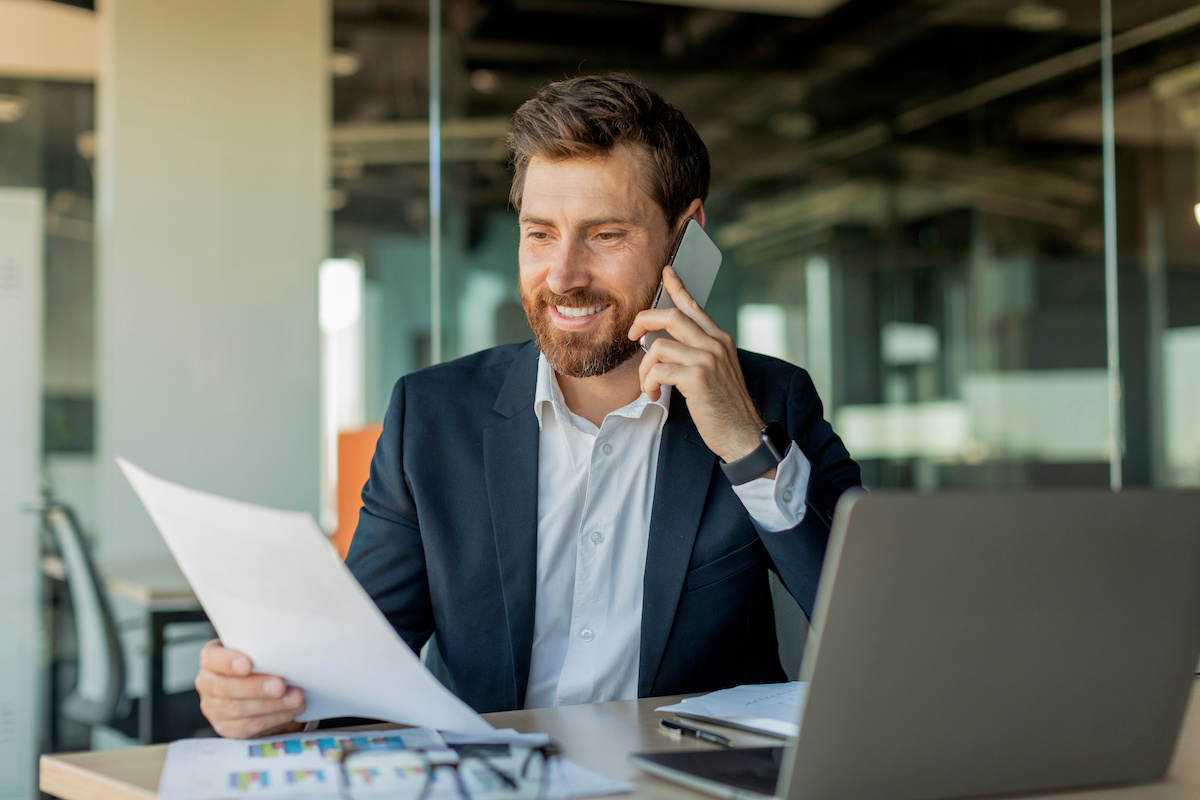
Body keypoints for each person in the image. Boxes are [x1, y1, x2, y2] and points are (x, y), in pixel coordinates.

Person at [195, 73, 861, 739]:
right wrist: (266, 696)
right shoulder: (430, 418)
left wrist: (748, 447)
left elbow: (875, 632)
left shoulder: (770, 402)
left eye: (604, 235)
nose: (563, 275)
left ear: (686, 237)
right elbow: (358, 670)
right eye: (540, 233)